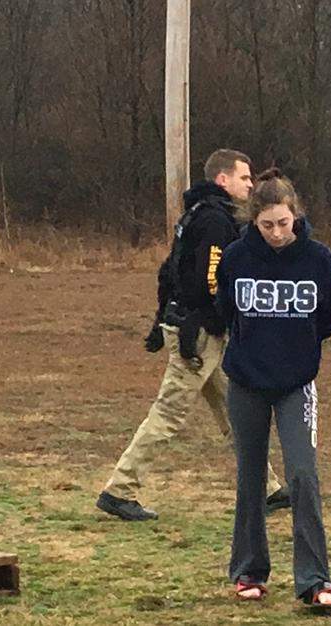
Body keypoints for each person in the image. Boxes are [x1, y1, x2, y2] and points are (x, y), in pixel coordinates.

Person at [96, 149, 289, 521]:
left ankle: (267, 489)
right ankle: (119, 490)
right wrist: (196, 323)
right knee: (168, 413)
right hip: (198, 336)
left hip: (193, 329)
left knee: (235, 412)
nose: (250, 185)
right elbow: (210, 282)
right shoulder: (216, 222)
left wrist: (160, 321)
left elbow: (168, 270)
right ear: (223, 180)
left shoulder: (196, 215)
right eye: (244, 178)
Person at [216, 169, 331, 610]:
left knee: (302, 475)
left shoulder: (318, 259)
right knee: (250, 478)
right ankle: (248, 569)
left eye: (283, 224)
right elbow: (226, 311)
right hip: (245, 382)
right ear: (254, 220)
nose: (275, 233)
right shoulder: (235, 257)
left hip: (296, 385)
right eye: (266, 225)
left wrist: (296, 353)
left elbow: (326, 319)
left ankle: (314, 579)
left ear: (296, 217)